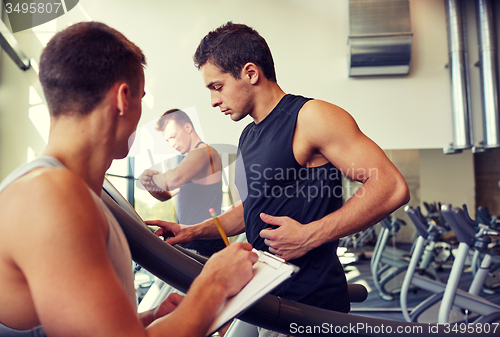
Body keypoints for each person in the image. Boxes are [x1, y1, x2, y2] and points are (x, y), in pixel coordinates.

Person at [148, 21, 410, 337]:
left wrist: (311, 235)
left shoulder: (310, 117)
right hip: (263, 292)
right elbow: (253, 209)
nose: (214, 101)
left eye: (217, 87)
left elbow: (390, 186)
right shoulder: (249, 135)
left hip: (308, 303)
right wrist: (192, 232)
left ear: (250, 73)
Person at [0, 21, 257, 337]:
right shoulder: (51, 197)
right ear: (123, 99)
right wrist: (213, 284)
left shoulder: (64, 190)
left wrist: (148, 318)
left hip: (206, 241)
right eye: (141, 99)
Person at [139, 109, 226, 257]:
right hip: (191, 238)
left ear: (187, 127)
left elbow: (174, 179)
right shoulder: (190, 163)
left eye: (173, 136)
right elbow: (165, 195)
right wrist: (149, 184)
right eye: (168, 140)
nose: (171, 144)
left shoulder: (204, 152)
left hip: (206, 243)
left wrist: (150, 178)